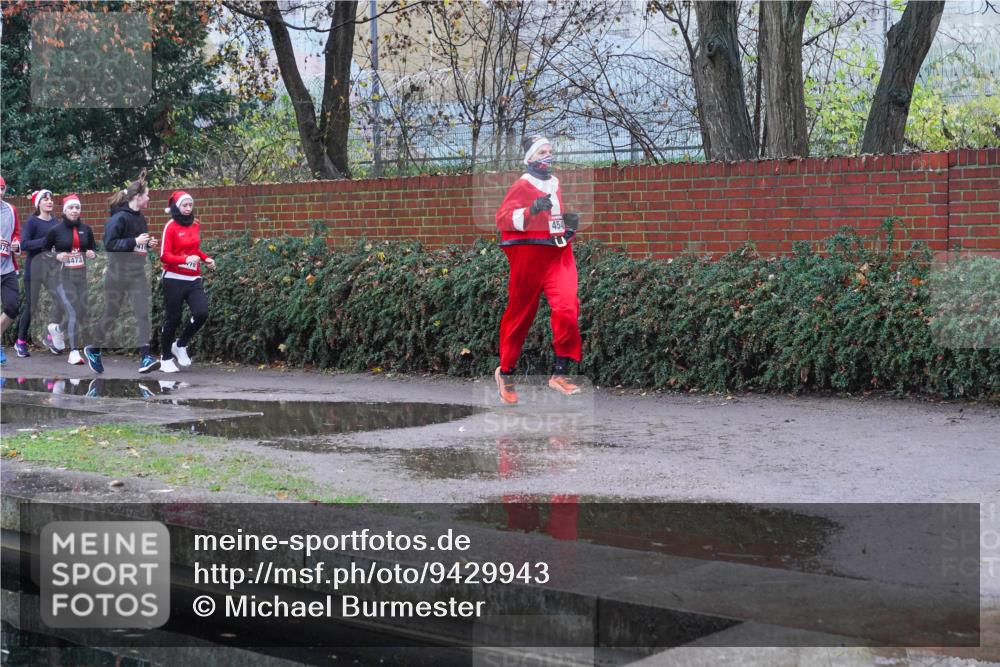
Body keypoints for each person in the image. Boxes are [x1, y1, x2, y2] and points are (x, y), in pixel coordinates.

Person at [493, 136, 583, 405]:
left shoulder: (555, 183)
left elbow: (552, 221)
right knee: (519, 316)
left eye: (550, 151)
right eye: (542, 151)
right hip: (529, 260)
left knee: (567, 308)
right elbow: (502, 218)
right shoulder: (522, 185)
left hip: (557, 256)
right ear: (530, 157)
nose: (548, 155)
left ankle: (560, 373)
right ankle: (506, 373)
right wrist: (530, 210)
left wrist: (567, 228)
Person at [88, 170, 159, 374]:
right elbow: (110, 244)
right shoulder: (119, 218)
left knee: (142, 313)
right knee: (112, 313)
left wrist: (147, 244)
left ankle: (145, 357)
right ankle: (94, 348)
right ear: (138, 196)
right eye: (147, 195)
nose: (149, 198)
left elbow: (137, 245)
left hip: (136, 273)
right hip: (118, 274)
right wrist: (135, 241)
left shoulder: (141, 218)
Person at [157, 190, 214, 373]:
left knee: (202, 313)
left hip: (193, 278)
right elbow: (164, 256)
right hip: (173, 279)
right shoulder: (170, 226)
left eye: (190, 205)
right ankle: (166, 358)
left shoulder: (195, 224)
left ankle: (180, 344)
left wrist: (205, 258)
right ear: (176, 207)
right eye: (184, 205)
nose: (188, 208)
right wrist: (185, 259)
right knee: (173, 319)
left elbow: (195, 249)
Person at [43, 194, 97, 366]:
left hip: (80, 276)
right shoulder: (55, 230)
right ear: (65, 211)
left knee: (81, 312)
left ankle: (57, 329)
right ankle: (74, 352)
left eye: (77, 208)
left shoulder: (86, 229)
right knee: (73, 311)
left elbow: (93, 249)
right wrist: (57, 256)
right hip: (62, 277)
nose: (74, 211)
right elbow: (44, 252)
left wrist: (92, 253)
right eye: (71, 208)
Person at [14, 189, 66, 357]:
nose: (50, 201)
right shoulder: (32, 222)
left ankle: (50, 336)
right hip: (34, 269)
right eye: (45, 199)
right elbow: (24, 244)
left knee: (61, 301)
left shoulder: (55, 222)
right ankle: (20, 342)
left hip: (50, 271)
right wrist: (45, 241)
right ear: (38, 204)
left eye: (51, 199)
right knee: (32, 306)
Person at [0, 175, 21, 366]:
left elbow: (16, 233)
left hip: (7, 269)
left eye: (1, 188)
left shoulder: (11, 210)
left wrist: (16, 243)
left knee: (12, 307)